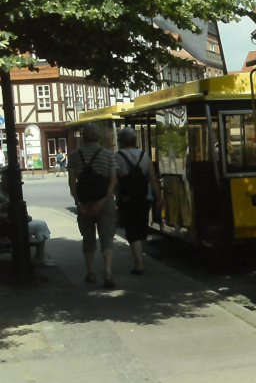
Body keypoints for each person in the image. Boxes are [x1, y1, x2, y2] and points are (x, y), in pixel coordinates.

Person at [67, 123, 117, 288]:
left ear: (83, 138)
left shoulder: (74, 155)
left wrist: (79, 202)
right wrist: (104, 199)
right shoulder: (108, 155)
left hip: (85, 201)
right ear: (98, 137)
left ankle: (90, 272)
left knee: (88, 238)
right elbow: (113, 180)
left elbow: (72, 183)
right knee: (107, 237)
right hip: (105, 201)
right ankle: (108, 272)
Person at [115, 127, 161, 275]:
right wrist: (158, 198)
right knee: (142, 226)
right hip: (144, 196)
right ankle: (140, 258)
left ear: (121, 141)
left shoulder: (117, 157)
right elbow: (152, 179)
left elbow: (114, 180)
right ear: (135, 140)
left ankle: (139, 264)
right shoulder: (144, 155)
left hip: (127, 198)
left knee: (131, 228)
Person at [0, 167, 55, 266]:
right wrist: (13, 217)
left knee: (41, 224)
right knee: (39, 226)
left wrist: (25, 216)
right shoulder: (5, 192)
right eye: (5, 178)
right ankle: (40, 258)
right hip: (6, 227)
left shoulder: (14, 190)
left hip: (15, 224)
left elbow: (21, 208)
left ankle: (40, 256)